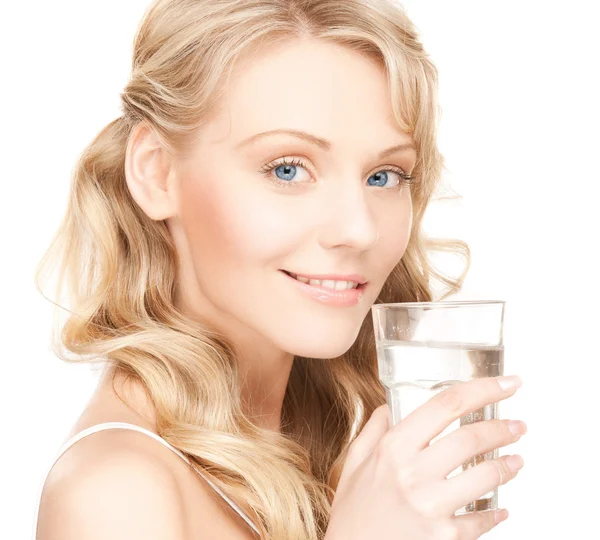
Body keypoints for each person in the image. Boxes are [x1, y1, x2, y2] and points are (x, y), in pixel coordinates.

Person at [32, 0, 526, 539]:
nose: (359, 229)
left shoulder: (327, 459)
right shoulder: (117, 495)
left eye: (384, 175)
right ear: (157, 173)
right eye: (287, 169)